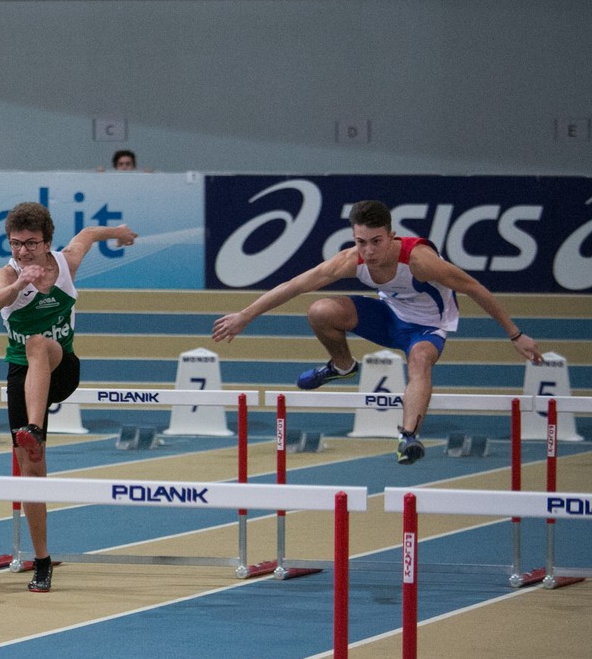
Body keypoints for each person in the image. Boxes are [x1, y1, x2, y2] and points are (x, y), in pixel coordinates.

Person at [211, 199, 543, 465]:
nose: (368, 251)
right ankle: (342, 366)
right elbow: (294, 285)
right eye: (361, 242)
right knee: (320, 310)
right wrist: (245, 315)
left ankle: (407, 437)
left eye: (376, 242)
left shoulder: (420, 260)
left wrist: (515, 335)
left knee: (420, 362)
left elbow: (475, 288)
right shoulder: (350, 260)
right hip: (388, 317)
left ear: (391, 235)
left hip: (427, 327)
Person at [0, 202, 138, 593]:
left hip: (62, 366)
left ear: (47, 242)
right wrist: (20, 285)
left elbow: (89, 234)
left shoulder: (67, 262)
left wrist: (120, 233)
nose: (23, 251)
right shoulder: (7, 274)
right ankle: (41, 560)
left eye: (31, 244)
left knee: (39, 343)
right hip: (22, 377)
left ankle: (34, 429)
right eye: (16, 243)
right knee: (31, 472)